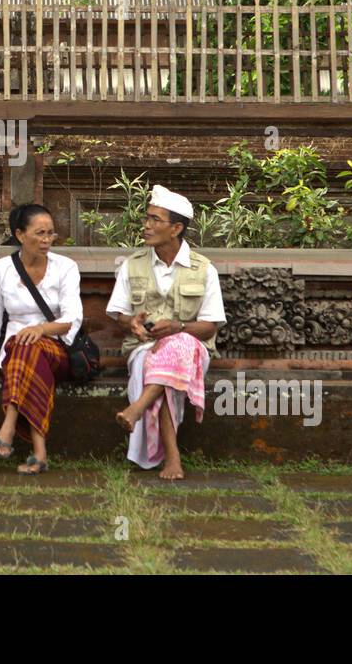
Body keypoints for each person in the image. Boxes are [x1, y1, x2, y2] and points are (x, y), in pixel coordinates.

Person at [106, 185, 226, 480]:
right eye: (146, 218)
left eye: (155, 220)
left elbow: (210, 325)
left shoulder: (203, 268)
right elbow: (119, 316)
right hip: (143, 348)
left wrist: (178, 327)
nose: (146, 225)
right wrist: (131, 323)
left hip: (193, 350)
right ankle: (173, 458)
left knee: (178, 345)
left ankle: (138, 410)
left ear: (176, 228)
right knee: (157, 365)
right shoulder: (132, 266)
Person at [0, 203, 82, 476]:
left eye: (51, 234)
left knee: (26, 345)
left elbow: (72, 319)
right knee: (24, 349)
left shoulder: (65, 267)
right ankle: (39, 453)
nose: (46, 240)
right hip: (17, 352)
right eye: (40, 233)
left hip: (57, 346)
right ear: (20, 235)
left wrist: (42, 329)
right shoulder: (1, 269)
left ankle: (7, 429)